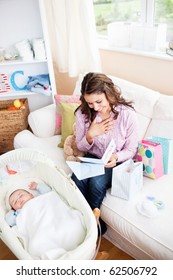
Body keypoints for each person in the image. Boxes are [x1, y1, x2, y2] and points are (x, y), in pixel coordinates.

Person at [71, 72, 139, 234]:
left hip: (114, 161)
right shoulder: (83, 114)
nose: (94, 107)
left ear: (109, 94)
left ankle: (89, 223)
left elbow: (131, 149)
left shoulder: (126, 115)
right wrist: (91, 134)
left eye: (98, 101)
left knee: (96, 182)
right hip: (92, 158)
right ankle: (90, 220)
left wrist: (116, 156)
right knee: (76, 179)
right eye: (90, 102)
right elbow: (82, 146)